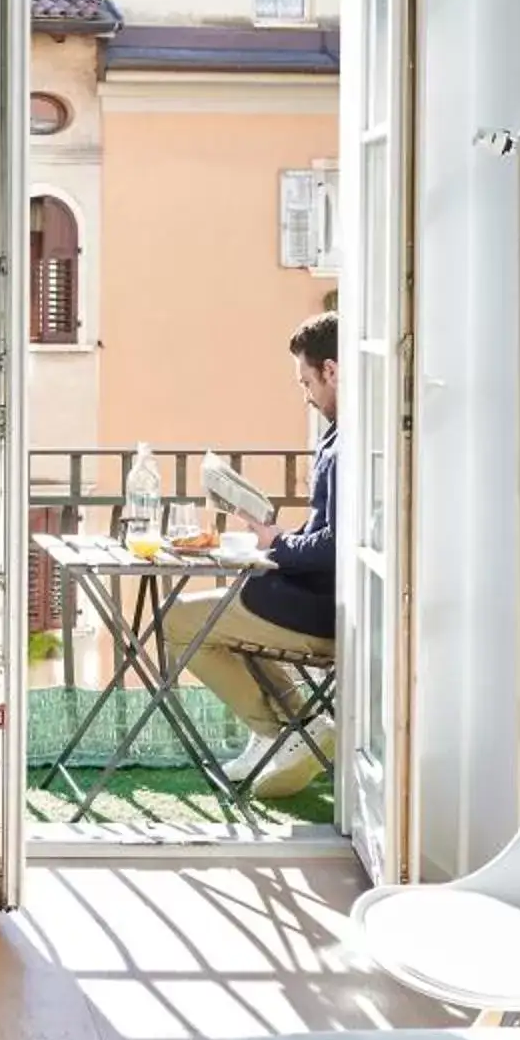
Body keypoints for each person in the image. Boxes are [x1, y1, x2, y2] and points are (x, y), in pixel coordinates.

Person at [162, 311, 338, 801]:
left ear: (331, 370)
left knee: (177, 623)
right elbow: (327, 532)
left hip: (321, 611)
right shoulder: (342, 437)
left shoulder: (347, 446)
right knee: (221, 610)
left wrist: (276, 543)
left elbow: (335, 546)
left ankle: (284, 732)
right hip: (315, 596)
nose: (306, 394)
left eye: (307, 381)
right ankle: (292, 730)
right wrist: (277, 541)